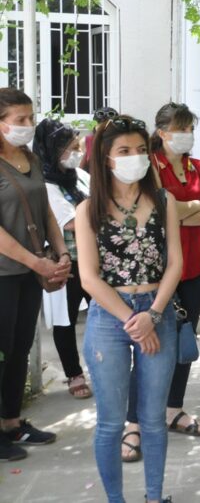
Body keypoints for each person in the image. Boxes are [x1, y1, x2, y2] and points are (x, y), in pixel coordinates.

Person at [77, 113, 182, 503]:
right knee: (110, 423)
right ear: (106, 157)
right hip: (110, 317)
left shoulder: (164, 201)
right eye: (124, 150)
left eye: (140, 149)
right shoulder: (88, 209)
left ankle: (154, 496)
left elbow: (176, 264)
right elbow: (89, 278)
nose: (134, 157)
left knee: (153, 419)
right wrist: (133, 320)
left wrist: (152, 315)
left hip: (157, 310)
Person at [124, 102, 200, 449]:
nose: (186, 135)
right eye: (180, 128)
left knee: (184, 341)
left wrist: (179, 209)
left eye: (190, 128)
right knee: (149, 345)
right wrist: (191, 208)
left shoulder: (198, 166)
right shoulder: (151, 165)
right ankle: (134, 421)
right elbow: (160, 212)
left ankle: (173, 409)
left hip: (194, 268)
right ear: (162, 132)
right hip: (158, 272)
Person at [0, 88, 72, 462]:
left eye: (30, 117)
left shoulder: (30, 158)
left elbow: (45, 213)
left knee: (20, 347)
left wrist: (61, 252)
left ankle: (12, 423)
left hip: (30, 273)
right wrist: (35, 262)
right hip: (5, 273)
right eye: (20, 119)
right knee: (2, 350)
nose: (28, 125)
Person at [33, 119, 93, 400]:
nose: (77, 152)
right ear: (53, 150)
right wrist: (100, 217)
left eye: (78, 146)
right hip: (66, 262)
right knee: (65, 320)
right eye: (71, 148)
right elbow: (69, 223)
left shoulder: (80, 175)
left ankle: (104, 364)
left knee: (103, 314)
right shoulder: (45, 183)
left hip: (93, 260)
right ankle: (74, 373)